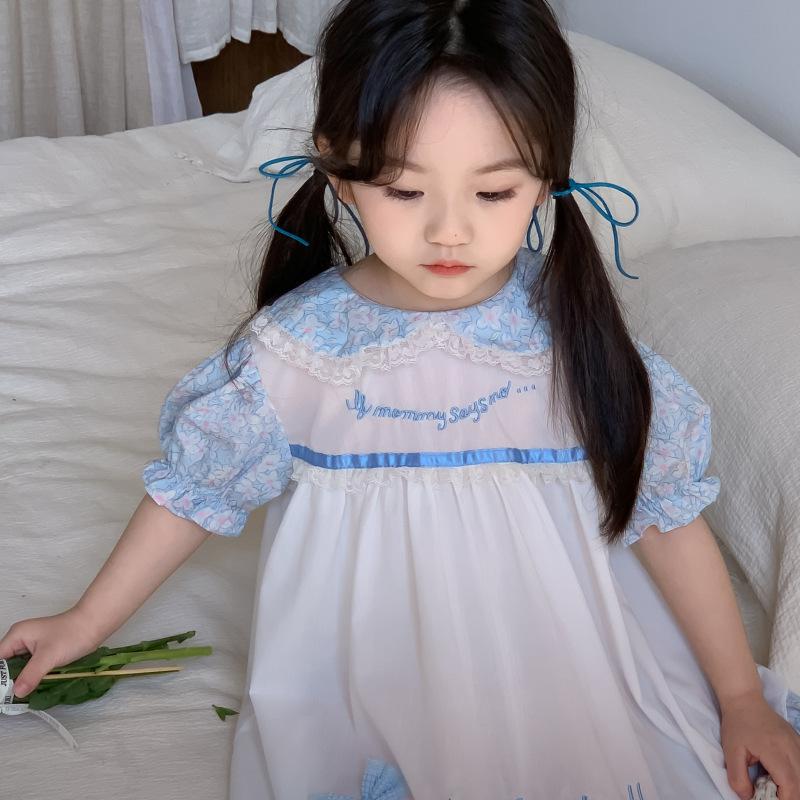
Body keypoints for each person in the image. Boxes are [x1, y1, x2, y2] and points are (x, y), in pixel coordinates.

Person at [2, 1, 800, 798]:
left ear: (546, 180)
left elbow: (663, 514)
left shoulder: (579, 345)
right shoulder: (297, 354)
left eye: (494, 193)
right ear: (339, 175)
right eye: (405, 191)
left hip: (569, 653)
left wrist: (738, 697)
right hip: (370, 670)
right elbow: (193, 492)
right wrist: (86, 621)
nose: (450, 232)